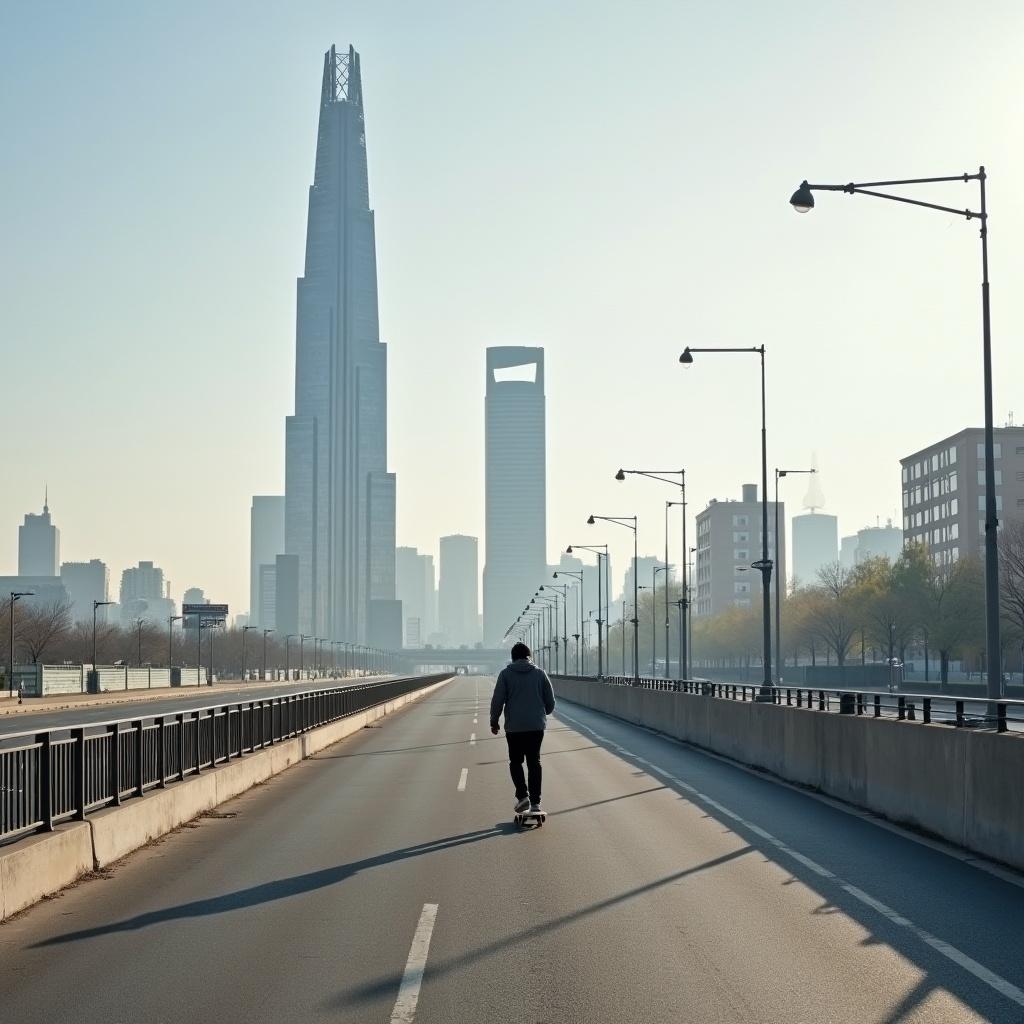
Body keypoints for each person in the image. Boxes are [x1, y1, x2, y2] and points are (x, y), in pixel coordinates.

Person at [490, 641, 556, 814]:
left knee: (516, 762)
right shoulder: (540, 674)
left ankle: (522, 796)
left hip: (514, 728)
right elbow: (550, 701)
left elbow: (498, 699)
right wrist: (543, 713)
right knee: (534, 762)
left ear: (513, 658)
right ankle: (535, 803)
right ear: (529, 657)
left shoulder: (505, 675)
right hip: (536, 727)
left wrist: (494, 720)